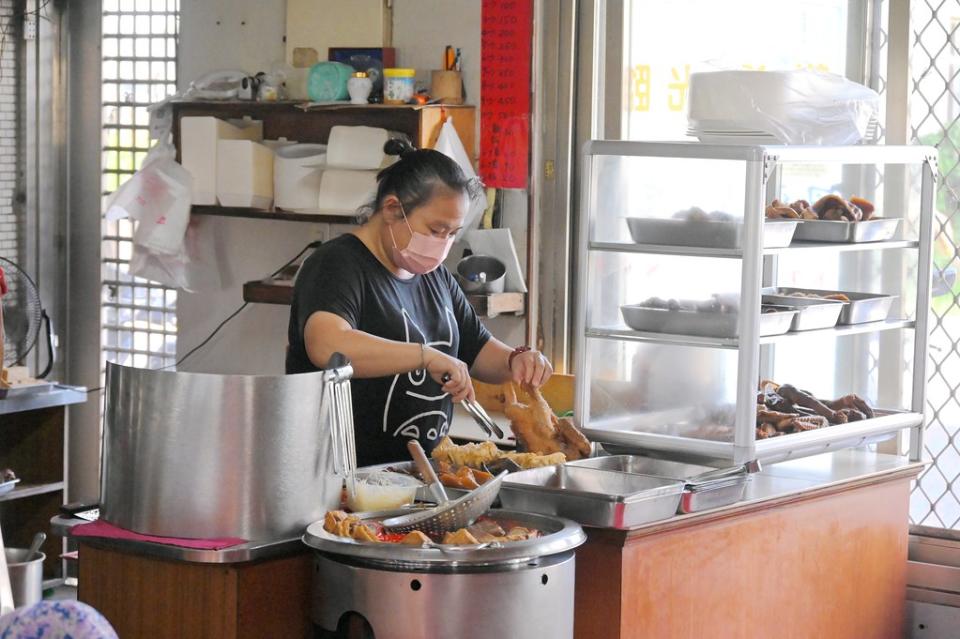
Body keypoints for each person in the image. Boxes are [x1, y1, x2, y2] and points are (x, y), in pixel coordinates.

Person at [286, 139, 552, 466]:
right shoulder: (337, 264)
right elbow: (327, 346)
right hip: (340, 477)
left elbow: (478, 351)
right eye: (435, 230)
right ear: (393, 210)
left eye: (452, 234)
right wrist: (424, 357)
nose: (442, 245)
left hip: (422, 478)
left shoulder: (435, 276)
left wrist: (517, 360)